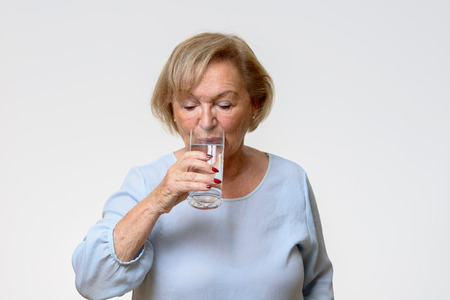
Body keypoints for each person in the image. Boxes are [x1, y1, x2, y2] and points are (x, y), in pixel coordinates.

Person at [72, 32, 334, 300]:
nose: (206, 121)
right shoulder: (147, 181)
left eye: (224, 104)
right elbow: (92, 283)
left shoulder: (291, 179)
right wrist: (158, 200)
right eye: (189, 105)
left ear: (255, 104)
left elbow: (318, 285)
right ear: (172, 110)